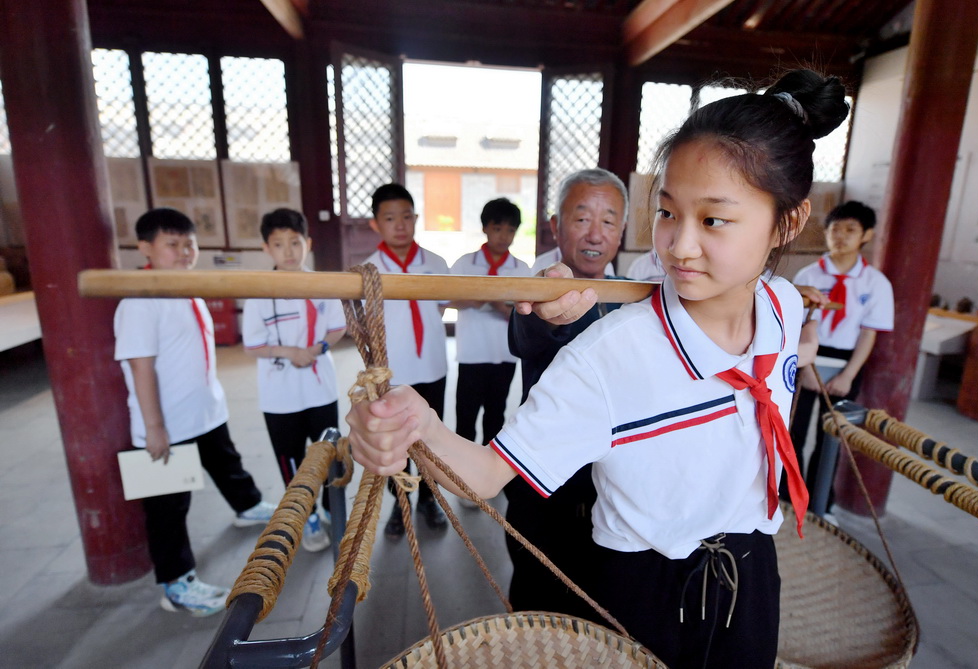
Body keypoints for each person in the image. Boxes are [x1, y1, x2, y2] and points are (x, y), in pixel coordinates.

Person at [347, 69, 848, 668]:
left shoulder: (783, 305)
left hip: (754, 574)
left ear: (787, 223)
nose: (679, 246)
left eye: (713, 219)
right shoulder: (613, 352)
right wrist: (419, 428)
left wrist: (809, 344)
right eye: (667, 213)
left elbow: (788, 356)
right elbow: (485, 474)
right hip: (643, 592)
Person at [114, 208, 277, 617]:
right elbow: (140, 365)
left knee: (227, 462)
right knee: (169, 508)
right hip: (164, 425)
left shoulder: (187, 286)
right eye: (173, 244)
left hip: (203, 410)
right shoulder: (140, 299)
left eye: (190, 243)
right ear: (145, 247)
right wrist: (154, 427)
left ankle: (247, 505)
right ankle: (177, 584)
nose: (185, 251)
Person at [504, 168, 628, 620]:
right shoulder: (540, 286)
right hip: (543, 474)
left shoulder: (637, 297)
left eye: (609, 220)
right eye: (581, 218)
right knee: (537, 591)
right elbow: (527, 333)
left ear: (621, 233)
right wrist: (550, 313)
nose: (595, 233)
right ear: (556, 225)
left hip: (611, 479)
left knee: (601, 599)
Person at [241, 208, 347, 552]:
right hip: (279, 395)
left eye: (295, 242)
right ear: (266, 248)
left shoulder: (321, 284)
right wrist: (290, 352)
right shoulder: (259, 290)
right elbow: (253, 345)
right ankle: (308, 516)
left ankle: (334, 509)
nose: (288, 251)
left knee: (329, 453)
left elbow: (338, 326)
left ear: (308, 244)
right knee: (291, 460)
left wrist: (317, 348)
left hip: (320, 389)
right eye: (278, 244)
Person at [789, 200, 893, 508]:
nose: (841, 236)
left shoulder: (876, 283)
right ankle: (787, 497)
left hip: (847, 363)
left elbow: (868, 333)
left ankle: (821, 502)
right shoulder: (808, 276)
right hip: (806, 359)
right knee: (793, 430)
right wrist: (805, 366)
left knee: (831, 436)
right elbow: (796, 326)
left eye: (850, 230)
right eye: (835, 229)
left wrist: (848, 375)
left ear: (867, 235)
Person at [362, 183, 450, 538]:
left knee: (429, 438)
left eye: (406, 216)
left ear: (415, 218)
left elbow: (441, 307)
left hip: (431, 365)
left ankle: (429, 498)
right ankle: (400, 506)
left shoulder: (436, 263)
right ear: (375, 224)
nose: (400, 224)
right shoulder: (368, 270)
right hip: (391, 374)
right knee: (394, 443)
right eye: (390, 218)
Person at [448, 198, 532, 453]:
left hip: (504, 354)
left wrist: (499, 305)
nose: (504, 236)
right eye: (498, 228)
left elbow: (525, 315)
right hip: (472, 353)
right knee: (465, 415)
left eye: (510, 230)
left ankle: (487, 469)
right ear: (485, 228)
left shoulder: (520, 268)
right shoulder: (465, 263)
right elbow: (447, 301)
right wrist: (476, 298)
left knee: (496, 414)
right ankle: (460, 469)